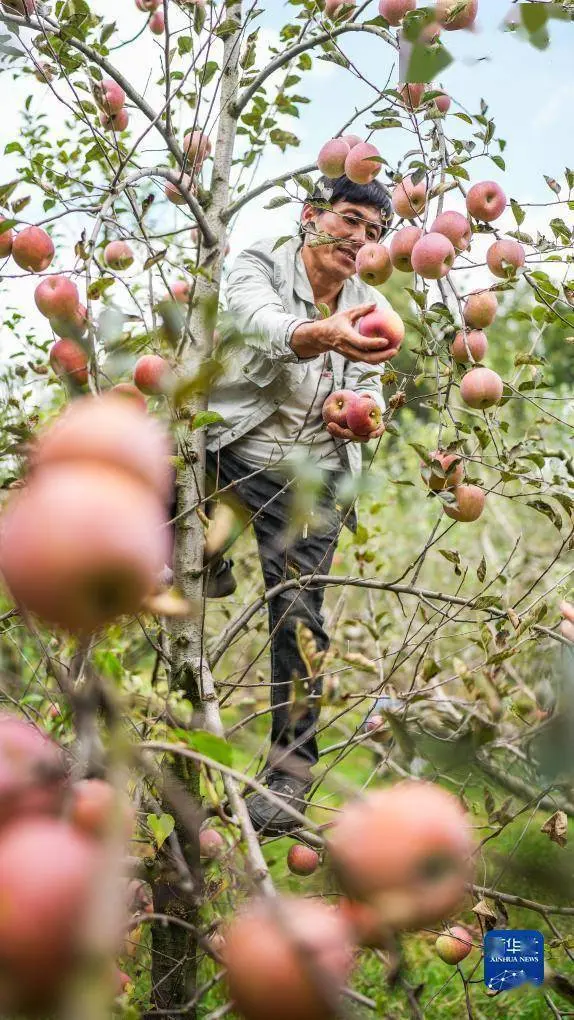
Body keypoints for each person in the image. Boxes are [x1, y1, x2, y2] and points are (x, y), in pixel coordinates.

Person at [202, 173, 401, 834]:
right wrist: (322, 333)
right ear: (313, 215)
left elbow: (368, 385)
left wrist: (366, 416)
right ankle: (208, 556)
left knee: (297, 616)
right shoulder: (259, 259)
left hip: (312, 475)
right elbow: (258, 324)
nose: (360, 239)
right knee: (156, 464)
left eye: (374, 233)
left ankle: (288, 780)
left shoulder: (370, 302)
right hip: (236, 452)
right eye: (350, 220)